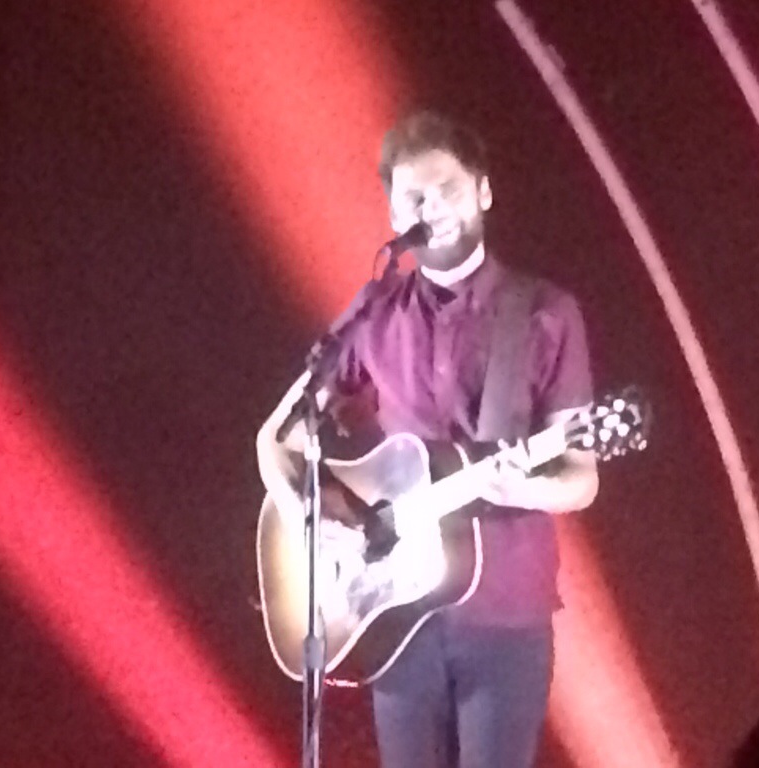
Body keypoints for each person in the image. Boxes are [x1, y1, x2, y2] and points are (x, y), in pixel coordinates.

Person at [256, 110, 599, 768]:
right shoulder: (374, 315)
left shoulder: (545, 314)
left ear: (484, 192)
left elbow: (581, 478)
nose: (431, 207)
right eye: (413, 196)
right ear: (393, 212)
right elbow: (276, 440)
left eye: (448, 189)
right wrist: (313, 519)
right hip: (394, 616)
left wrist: (522, 487)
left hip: (506, 613)